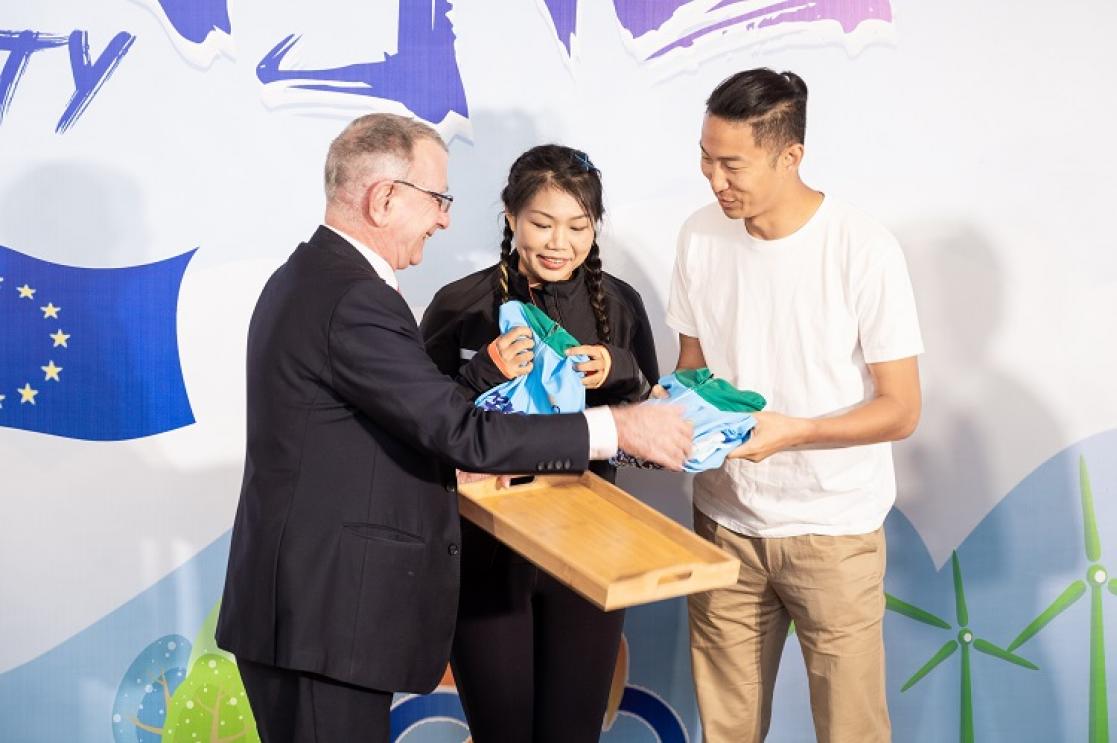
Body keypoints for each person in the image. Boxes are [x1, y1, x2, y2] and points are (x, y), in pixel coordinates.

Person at [215, 114, 693, 743]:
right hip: (331, 613)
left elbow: (417, 418)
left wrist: (623, 387)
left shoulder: (316, 278)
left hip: (329, 608)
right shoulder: (358, 298)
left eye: (578, 227)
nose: (443, 219)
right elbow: (458, 432)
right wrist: (615, 427)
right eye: (438, 199)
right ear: (385, 198)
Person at [666, 69, 923, 743]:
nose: (714, 179)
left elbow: (900, 409)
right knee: (725, 730)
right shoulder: (699, 235)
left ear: (790, 155)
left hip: (832, 532)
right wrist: (666, 420)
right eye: (704, 158)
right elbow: (691, 370)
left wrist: (796, 432)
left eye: (731, 164)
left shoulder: (861, 249)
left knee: (850, 730)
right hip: (723, 520)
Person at [420, 144, 659, 742]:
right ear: (510, 219)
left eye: (578, 227)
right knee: (501, 732)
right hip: (485, 551)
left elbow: (652, 429)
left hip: (590, 544)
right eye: (542, 223)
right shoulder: (460, 304)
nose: (560, 243)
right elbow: (420, 427)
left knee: (573, 732)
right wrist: (482, 374)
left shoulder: (621, 306)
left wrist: (620, 370)